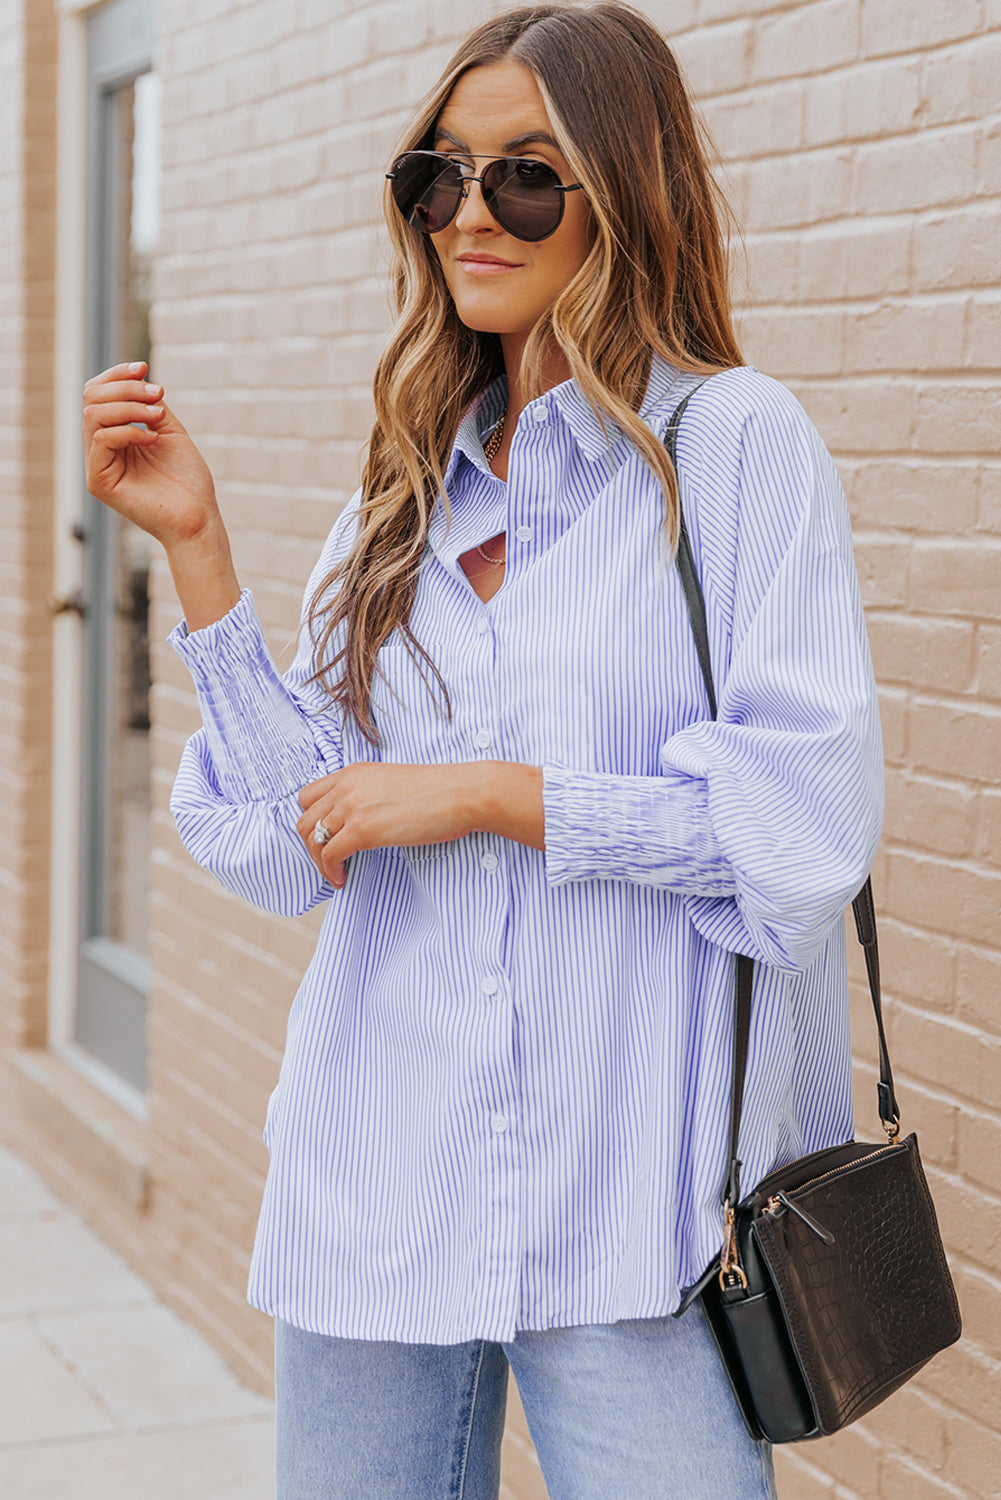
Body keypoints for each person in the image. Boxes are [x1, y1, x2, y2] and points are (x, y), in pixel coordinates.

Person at [82, 4, 883, 1496]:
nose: (469, 214)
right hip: (378, 1177)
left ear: (625, 193)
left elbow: (799, 831)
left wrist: (498, 799)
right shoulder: (406, 486)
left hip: (632, 1217)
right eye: (435, 177)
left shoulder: (736, 449)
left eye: (524, 175)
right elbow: (286, 842)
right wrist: (196, 552)